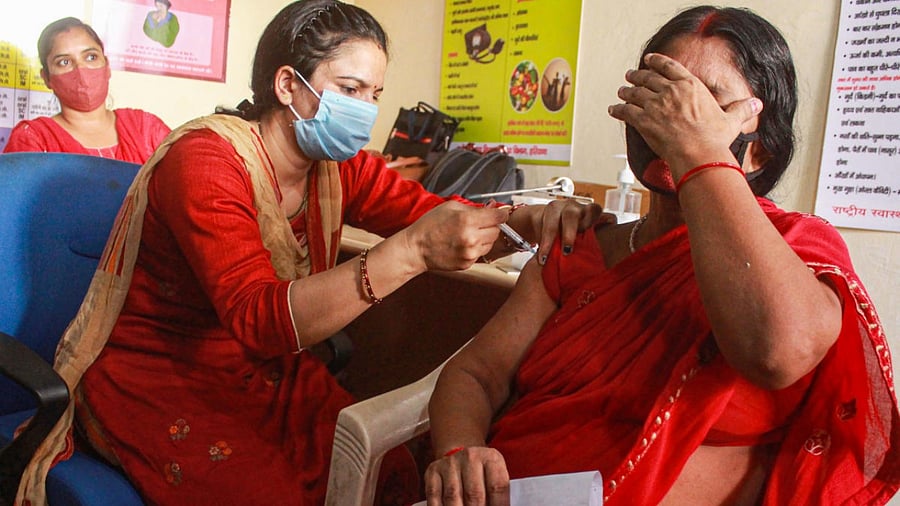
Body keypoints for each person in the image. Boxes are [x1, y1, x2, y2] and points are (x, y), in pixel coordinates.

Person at [15, 1, 604, 505]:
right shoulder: (205, 161)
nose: (366, 110)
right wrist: (414, 252)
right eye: (349, 90)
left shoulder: (336, 166)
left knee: (389, 473)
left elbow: (432, 214)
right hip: (165, 375)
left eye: (374, 94)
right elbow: (258, 318)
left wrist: (528, 219)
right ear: (288, 85)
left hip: (265, 372)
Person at [424, 6, 900, 506]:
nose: (669, 119)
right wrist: (461, 450)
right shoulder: (580, 243)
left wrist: (700, 153)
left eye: (698, 104)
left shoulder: (800, 248)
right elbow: (474, 374)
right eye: (657, 92)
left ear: (758, 149)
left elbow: (776, 353)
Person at [3, 17, 170, 164]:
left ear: (107, 66)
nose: (81, 70)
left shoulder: (145, 129)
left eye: (91, 57)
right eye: (64, 62)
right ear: (46, 78)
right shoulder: (34, 139)